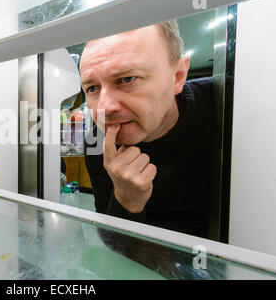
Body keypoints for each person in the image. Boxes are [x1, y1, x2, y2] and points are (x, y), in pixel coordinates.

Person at [81, 21, 215, 239]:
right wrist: (126, 202)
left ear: (178, 76)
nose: (104, 108)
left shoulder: (226, 102)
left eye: (127, 79)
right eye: (92, 88)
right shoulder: (97, 140)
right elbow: (114, 243)